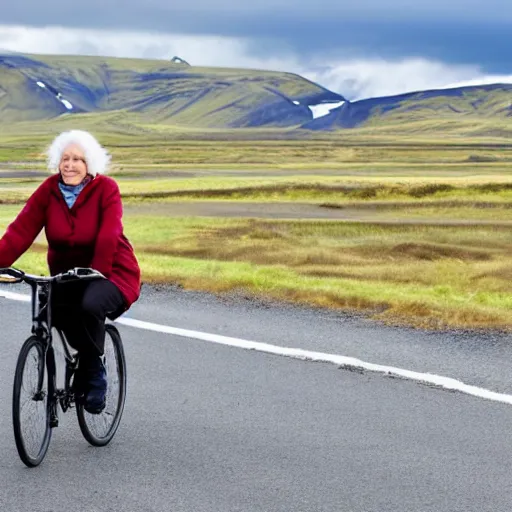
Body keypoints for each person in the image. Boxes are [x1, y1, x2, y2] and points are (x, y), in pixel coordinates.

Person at [0, 130, 141, 414]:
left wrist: (97, 270)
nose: (70, 164)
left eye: (78, 159)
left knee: (89, 304)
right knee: (50, 309)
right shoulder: (49, 190)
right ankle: (79, 360)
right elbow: (21, 230)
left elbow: (109, 233)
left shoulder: (106, 189)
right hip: (66, 275)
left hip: (110, 271)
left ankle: (94, 370)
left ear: (90, 164)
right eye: (65, 158)